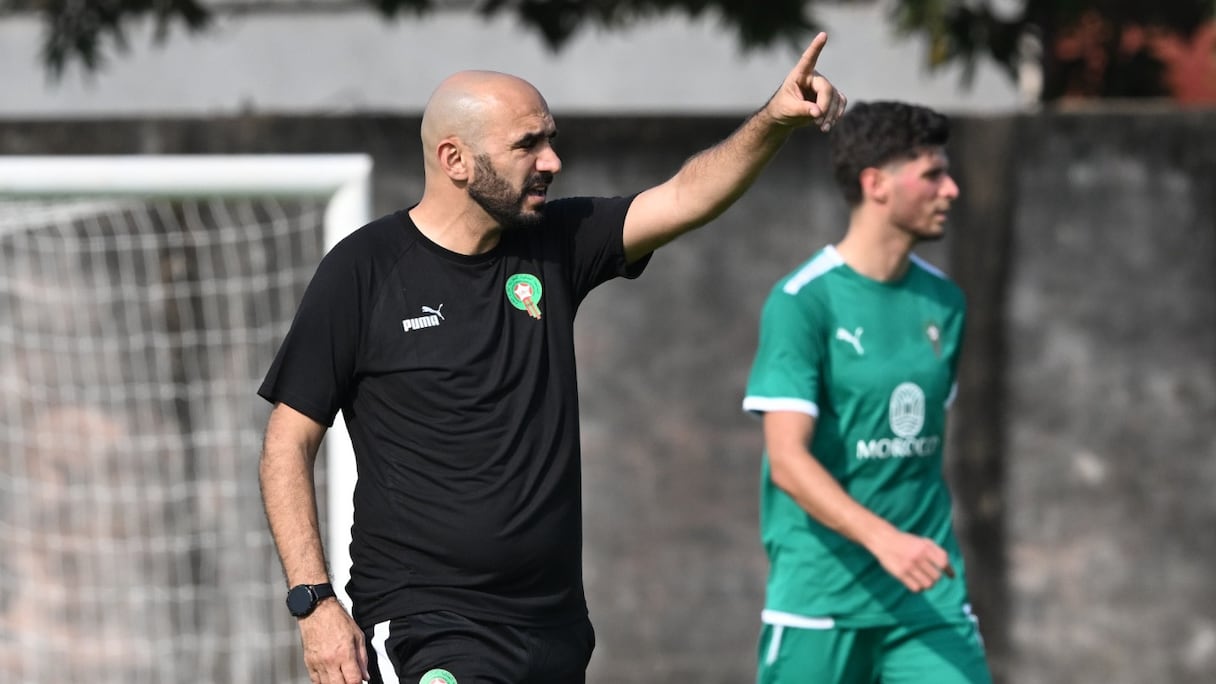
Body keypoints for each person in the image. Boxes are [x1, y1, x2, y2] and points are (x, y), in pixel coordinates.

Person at [258, 33, 846, 684]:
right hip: (428, 627)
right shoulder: (365, 271)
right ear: (455, 159)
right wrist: (314, 605)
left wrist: (774, 120)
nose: (552, 160)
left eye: (550, 138)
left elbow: (685, 197)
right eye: (527, 145)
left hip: (555, 630)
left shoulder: (557, 243)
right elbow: (288, 442)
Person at [741, 101, 992, 684]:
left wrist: (908, 548)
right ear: (876, 184)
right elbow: (788, 462)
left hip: (927, 601)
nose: (951, 189)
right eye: (932, 174)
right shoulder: (803, 301)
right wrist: (886, 542)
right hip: (820, 600)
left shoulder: (945, 303)